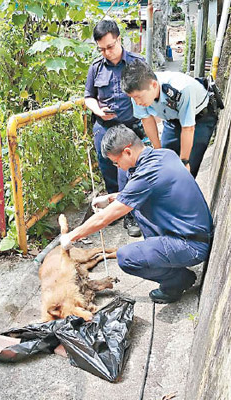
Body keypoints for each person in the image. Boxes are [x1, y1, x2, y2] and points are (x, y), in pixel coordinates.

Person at [60, 125, 213, 304]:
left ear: (127, 152)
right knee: (137, 207)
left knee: (126, 257)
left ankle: (177, 281)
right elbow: (145, 191)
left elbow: (104, 218)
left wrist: (72, 236)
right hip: (197, 233)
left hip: (191, 246)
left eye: (117, 163)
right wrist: (111, 198)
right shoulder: (164, 155)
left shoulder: (147, 174)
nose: (119, 167)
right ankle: (170, 263)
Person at [85, 19, 145, 237]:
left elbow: (148, 93)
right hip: (104, 126)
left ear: (119, 39)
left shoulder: (137, 63)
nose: (106, 53)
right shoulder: (96, 68)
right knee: (108, 169)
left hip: (130, 126)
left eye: (110, 47)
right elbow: (88, 97)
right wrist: (98, 111)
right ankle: (114, 210)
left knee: (128, 172)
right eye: (101, 49)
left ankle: (130, 213)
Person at [121, 59, 218, 178]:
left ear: (154, 85)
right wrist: (158, 151)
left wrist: (185, 162)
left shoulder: (181, 88)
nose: (137, 102)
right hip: (172, 120)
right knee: (165, 162)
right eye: (133, 98)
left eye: (138, 97)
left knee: (189, 169)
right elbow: (147, 120)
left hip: (199, 119)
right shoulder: (137, 93)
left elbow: (188, 128)